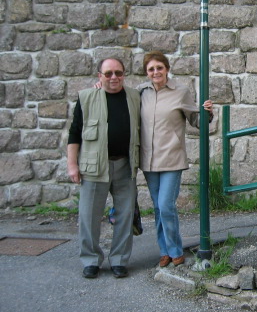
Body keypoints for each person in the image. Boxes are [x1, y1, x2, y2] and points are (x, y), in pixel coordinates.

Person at [67, 58, 140, 279]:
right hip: (94, 166)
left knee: (125, 216)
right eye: (108, 74)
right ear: (99, 75)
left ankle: (119, 260)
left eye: (118, 73)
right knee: (89, 216)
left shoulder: (135, 96)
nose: (114, 77)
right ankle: (91, 260)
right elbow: (75, 132)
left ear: (124, 74)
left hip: (125, 165)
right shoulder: (86, 97)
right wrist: (72, 165)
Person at [139, 51, 213, 268]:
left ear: (167, 69)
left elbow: (196, 120)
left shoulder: (180, 91)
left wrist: (206, 112)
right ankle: (164, 251)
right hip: (149, 160)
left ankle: (175, 250)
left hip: (172, 158)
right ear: (147, 72)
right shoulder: (140, 92)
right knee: (157, 208)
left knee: (166, 205)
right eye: (151, 69)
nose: (155, 72)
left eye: (159, 68)